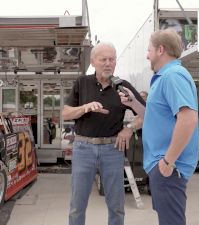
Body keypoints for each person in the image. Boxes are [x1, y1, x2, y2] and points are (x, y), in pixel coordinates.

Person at [120, 29, 199, 225]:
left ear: (160, 50)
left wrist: (167, 162)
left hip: (169, 166)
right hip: (163, 165)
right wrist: (133, 103)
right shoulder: (163, 77)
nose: (147, 55)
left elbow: (188, 119)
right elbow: (153, 117)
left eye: (149, 50)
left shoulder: (173, 76)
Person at [63, 42, 145, 225]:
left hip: (112, 149)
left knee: (116, 204)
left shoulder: (123, 87)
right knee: (77, 205)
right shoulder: (82, 83)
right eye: (103, 59)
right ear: (93, 61)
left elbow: (145, 115)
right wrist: (85, 107)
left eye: (112, 59)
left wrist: (129, 128)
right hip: (83, 148)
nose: (108, 63)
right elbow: (66, 112)